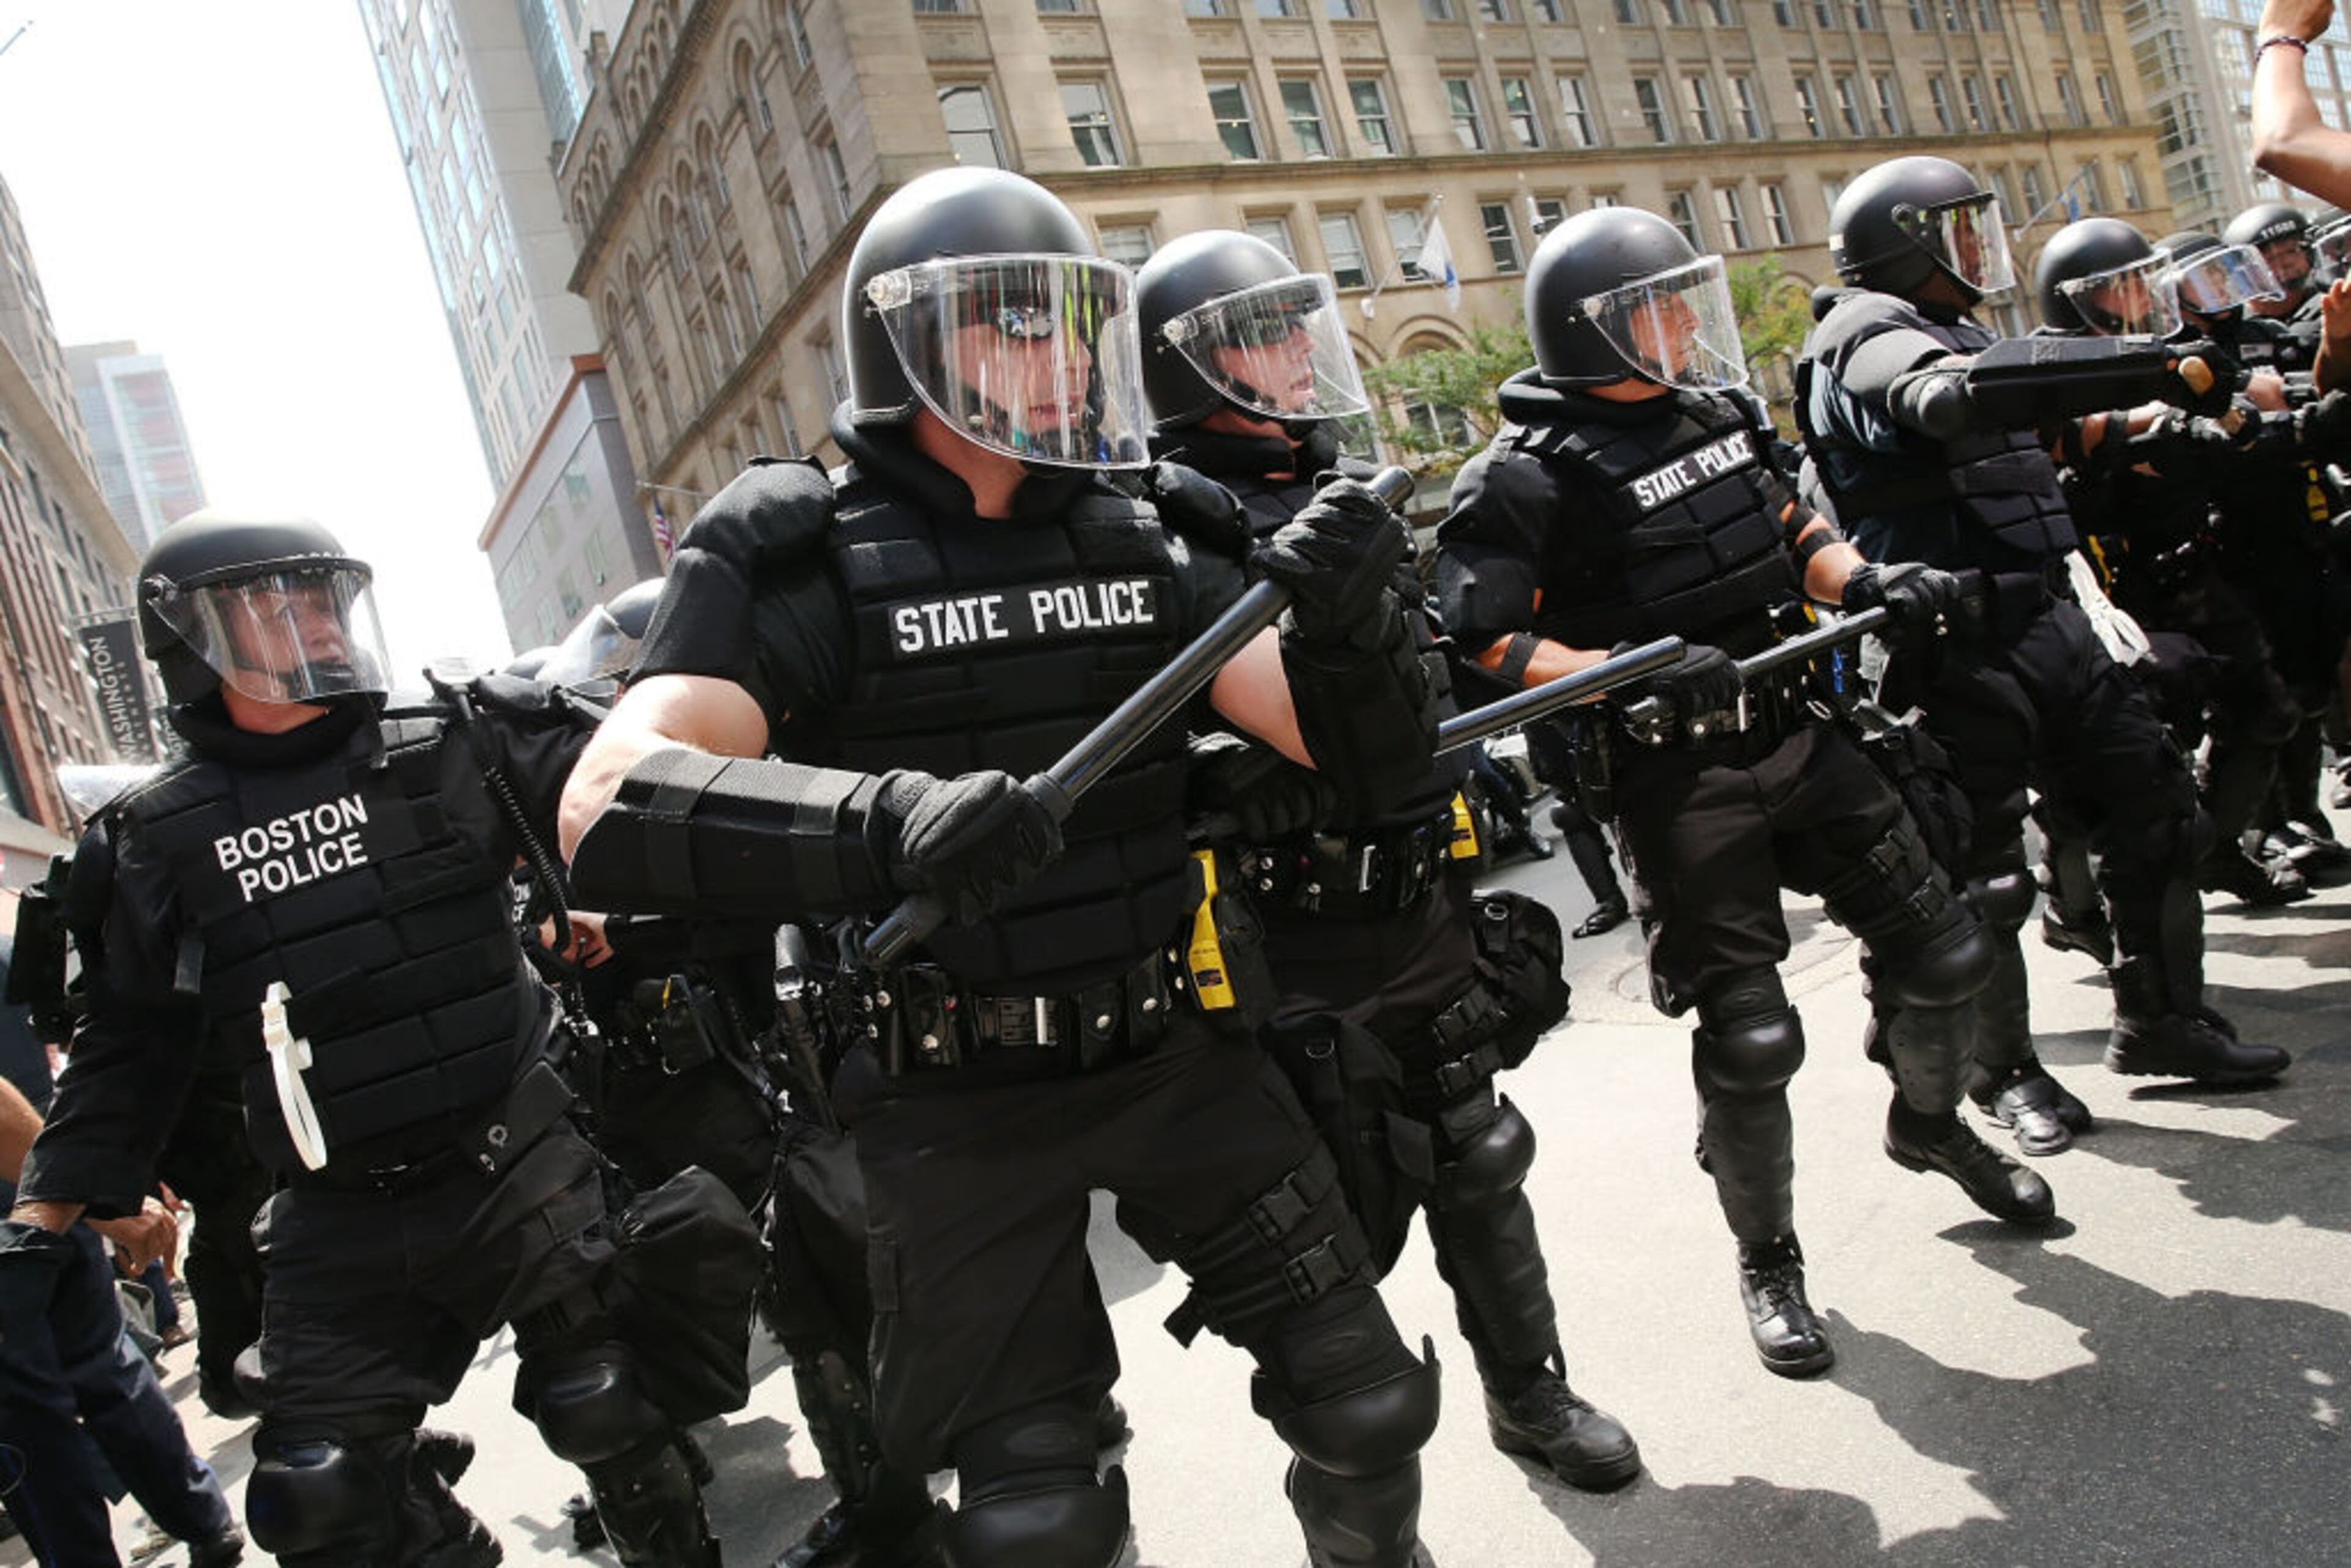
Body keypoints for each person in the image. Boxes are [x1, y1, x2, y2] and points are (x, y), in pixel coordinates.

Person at [560, 167, 1445, 1567]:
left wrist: (1351, 629)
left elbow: (1368, 759)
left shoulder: (1153, 519)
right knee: (1040, 1515)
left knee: (1371, 1398)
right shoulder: (801, 551)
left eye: (1068, 324)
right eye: (1009, 326)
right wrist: (882, 818)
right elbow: (604, 806)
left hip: (1174, 1047)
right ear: (904, 345)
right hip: (947, 1094)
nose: (1055, 359)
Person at [9, 511, 756, 1568]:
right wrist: (46, 1207)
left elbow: (634, 805)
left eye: (323, 598)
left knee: (606, 1400)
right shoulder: (153, 837)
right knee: (314, 1496)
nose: (313, 623)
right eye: (277, 605)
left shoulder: (457, 736)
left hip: (516, 1155)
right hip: (338, 1204)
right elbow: (130, 1038)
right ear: (192, 637)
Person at [1436, 206, 2050, 1379]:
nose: (1682, 324)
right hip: (1676, 771)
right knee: (1751, 1033)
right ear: (1594, 332)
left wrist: (1867, 574)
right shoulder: (1519, 480)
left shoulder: (1718, 413)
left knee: (1947, 952)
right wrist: (1635, 669)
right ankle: (1769, 1257)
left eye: (1682, 300)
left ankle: (1927, 1125)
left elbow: (1787, 521)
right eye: (1657, 306)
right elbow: (1487, 645)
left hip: (1800, 730)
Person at [1138, 228, 1640, 1488]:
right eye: (1262, 332)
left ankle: (1531, 1393)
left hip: (1414, 894)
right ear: (1189, 368)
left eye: (1294, 324)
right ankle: (1361, 1496)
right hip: (1282, 930)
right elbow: (1310, 734)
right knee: (1326, 1228)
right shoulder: (1167, 529)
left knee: (1478, 1152)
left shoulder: (1335, 488)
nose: (1300, 353)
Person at [1796, 155, 2290, 1165]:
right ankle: (2004, 1075)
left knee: (2153, 805)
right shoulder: (1858, 334)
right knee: (1986, 876)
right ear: (1906, 240)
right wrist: (2147, 365)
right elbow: (1943, 402)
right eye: (1958, 228)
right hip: (1951, 639)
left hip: (2046, 611)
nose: (1981, 245)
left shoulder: (1969, 330)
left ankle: (2160, 1019)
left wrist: (2174, 399)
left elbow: (2059, 431)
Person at [2030, 216, 2313, 907]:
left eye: (2138, 279)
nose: (2137, 294)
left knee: (2265, 709)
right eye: (2120, 284)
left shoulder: (2163, 354)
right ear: (2079, 298)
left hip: (2190, 570)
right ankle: (2070, 897)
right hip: (2110, 594)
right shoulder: (2049, 374)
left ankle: (2216, 849)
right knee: (2118, 763)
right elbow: (2053, 478)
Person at [0, 944, 244, 1567]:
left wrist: (97, 1200)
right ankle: (203, 1520)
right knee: (100, 1366)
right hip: (53, 1187)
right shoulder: (12, 949)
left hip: (31, 1208)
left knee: (29, 1419)